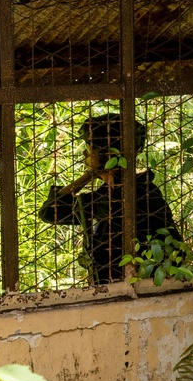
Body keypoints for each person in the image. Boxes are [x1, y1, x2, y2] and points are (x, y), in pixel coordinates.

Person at [38, 113, 181, 285]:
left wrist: (91, 173)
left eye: (90, 149)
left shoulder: (134, 195)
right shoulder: (112, 195)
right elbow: (50, 212)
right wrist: (91, 174)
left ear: (106, 154)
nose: (85, 153)